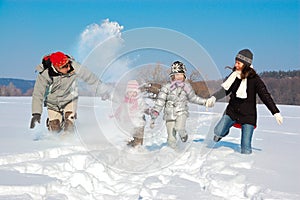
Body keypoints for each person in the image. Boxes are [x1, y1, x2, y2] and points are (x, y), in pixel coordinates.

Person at [206, 49, 283, 154]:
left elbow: (265, 96)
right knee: (218, 131)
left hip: (248, 116)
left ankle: (246, 167)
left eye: (238, 63)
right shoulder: (234, 76)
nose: (236, 65)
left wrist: (275, 112)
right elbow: (225, 90)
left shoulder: (255, 80)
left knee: (246, 149)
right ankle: (223, 131)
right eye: (235, 62)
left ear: (246, 64)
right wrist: (214, 97)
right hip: (232, 112)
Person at [30, 51, 112, 133]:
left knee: (69, 122)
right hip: (53, 103)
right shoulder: (45, 74)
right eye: (65, 66)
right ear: (57, 67)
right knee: (55, 128)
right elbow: (38, 94)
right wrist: (36, 113)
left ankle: (68, 141)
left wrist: (103, 91)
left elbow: (91, 78)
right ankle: (52, 125)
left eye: (68, 63)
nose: (69, 67)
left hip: (70, 99)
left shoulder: (75, 67)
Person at [151, 61, 210, 148]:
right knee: (171, 138)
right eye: (177, 74)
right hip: (169, 114)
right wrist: (155, 112)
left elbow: (193, 98)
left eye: (181, 74)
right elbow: (160, 101)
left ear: (184, 76)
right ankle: (173, 152)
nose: (179, 77)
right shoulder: (166, 87)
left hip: (181, 113)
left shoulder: (186, 87)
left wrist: (205, 102)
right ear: (173, 76)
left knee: (179, 128)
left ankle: (183, 134)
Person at [111, 80, 148, 147]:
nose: (132, 94)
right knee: (129, 133)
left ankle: (138, 146)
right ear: (127, 93)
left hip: (139, 120)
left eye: (134, 92)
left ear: (137, 92)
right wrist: (116, 115)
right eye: (130, 92)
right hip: (129, 120)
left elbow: (145, 106)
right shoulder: (125, 101)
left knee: (138, 135)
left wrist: (149, 110)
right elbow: (120, 109)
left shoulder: (139, 100)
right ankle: (130, 143)